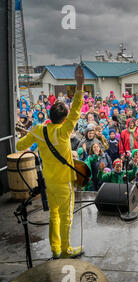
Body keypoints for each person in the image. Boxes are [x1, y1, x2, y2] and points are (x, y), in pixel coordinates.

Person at [16, 65, 85, 259]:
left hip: (48, 182)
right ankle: (65, 250)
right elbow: (76, 111)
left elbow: (21, 146)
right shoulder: (63, 132)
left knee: (53, 215)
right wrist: (79, 85)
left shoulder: (38, 130)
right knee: (66, 217)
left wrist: (26, 134)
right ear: (63, 120)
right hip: (63, 182)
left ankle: (54, 249)